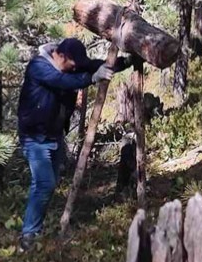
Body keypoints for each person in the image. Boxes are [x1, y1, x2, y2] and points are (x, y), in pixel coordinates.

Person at [17, 38, 131, 250]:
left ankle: (36, 229)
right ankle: (28, 236)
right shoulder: (39, 67)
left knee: (48, 184)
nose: (76, 67)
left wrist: (125, 62)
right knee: (44, 184)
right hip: (35, 138)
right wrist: (91, 78)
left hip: (54, 136)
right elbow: (61, 81)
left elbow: (97, 64)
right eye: (73, 64)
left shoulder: (69, 63)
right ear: (60, 56)